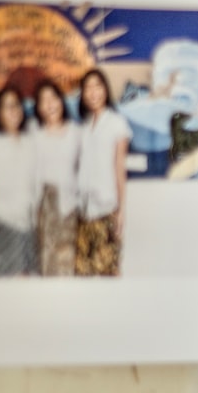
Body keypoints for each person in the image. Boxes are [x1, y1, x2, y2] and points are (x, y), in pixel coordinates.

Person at [0, 86, 38, 277]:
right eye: (7, 106)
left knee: (27, 277)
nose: (13, 111)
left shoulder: (30, 140)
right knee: (9, 279)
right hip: (4, 220)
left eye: (16, 105)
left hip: (29, 222)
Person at [75, 68, 132, 276]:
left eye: (97, 86)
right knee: (83, 272)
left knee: (108, 271)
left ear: (105, 90)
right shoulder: (83, 126)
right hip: (82, 210)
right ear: (82, 94)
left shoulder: (117, 123)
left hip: (106, 208)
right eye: (87, 88)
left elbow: (119, 167)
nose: (93, 92)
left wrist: (121, 210)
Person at [33, 79, 80, 276]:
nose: (50, 104)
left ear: (61, 101)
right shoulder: (35, 134)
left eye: (53, 98)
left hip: (71, 206)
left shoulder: (77, 133)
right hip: (44, 207)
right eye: (44, 100)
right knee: (47, 262)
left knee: (69, 261)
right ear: (38, 108)